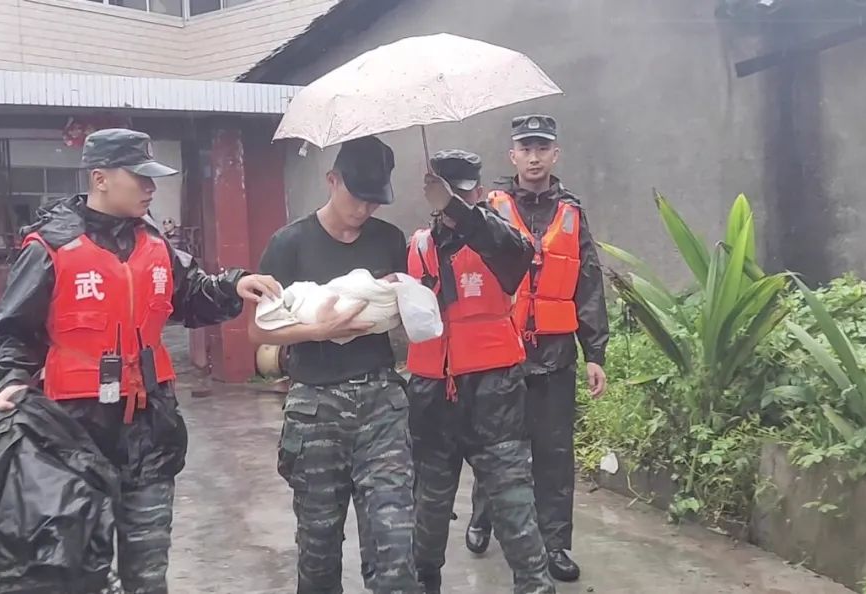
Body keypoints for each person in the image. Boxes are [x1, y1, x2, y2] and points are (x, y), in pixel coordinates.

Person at [0, 128, 278, 594]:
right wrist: (12, 380)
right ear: (100, 178)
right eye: (140, 177)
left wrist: (232, 285)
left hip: (150, 429)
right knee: (82, 574)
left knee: (148, 572)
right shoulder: (50, 247)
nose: (151, 188)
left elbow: (190, 295)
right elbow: (10, 329)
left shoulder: (155, 244)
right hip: (75, 436)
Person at [249, 135, 420, 594]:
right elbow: (258, 332)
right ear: (332, 180)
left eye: (374, 200)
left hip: (381, 403)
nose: (364, 209)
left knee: (395, 544)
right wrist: (316, 331)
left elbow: (402, 308)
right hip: (315, 406)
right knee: (319, 548)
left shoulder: (389, 239)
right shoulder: (289, 244)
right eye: (356, 196)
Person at [467, 115, 610, 583]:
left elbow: (588, 284)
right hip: (499, 353)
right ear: (512, 156)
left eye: (542, 148)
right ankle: (484, 516)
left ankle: (555, 544)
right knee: (497, 446)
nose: (534, 157)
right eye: (525, 149)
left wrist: (595, 354)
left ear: (555, 154)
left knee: (554, 453)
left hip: (555, 355)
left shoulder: (572, 213)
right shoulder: (489, 209)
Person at [406, 150, 555, 594]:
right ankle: (425, 582)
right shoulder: (417, 245)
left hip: (494, 392)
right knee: (429, 507)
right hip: (432, 392)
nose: (459, 202)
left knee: (513, 503)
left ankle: (535, 586)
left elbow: (518, 253)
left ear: (478, 193)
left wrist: (458, 209)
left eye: (466, 194)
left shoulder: (498, 238)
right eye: (448, 194)